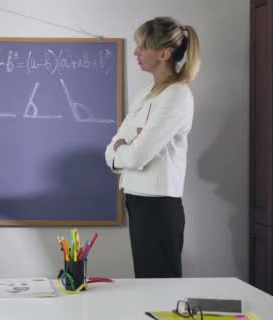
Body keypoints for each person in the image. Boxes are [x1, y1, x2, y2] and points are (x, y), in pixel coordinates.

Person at [104, 17, 201, 278]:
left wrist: (125, 148)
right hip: (137, 202)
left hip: (158, 207)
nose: (135, 52)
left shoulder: (177, 95)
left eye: (142, 47)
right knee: (146, 286)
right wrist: (124, 147)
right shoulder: (146, 94)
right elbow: (112, 147)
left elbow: (136, 156)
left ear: (164, 53)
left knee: (161, 290)